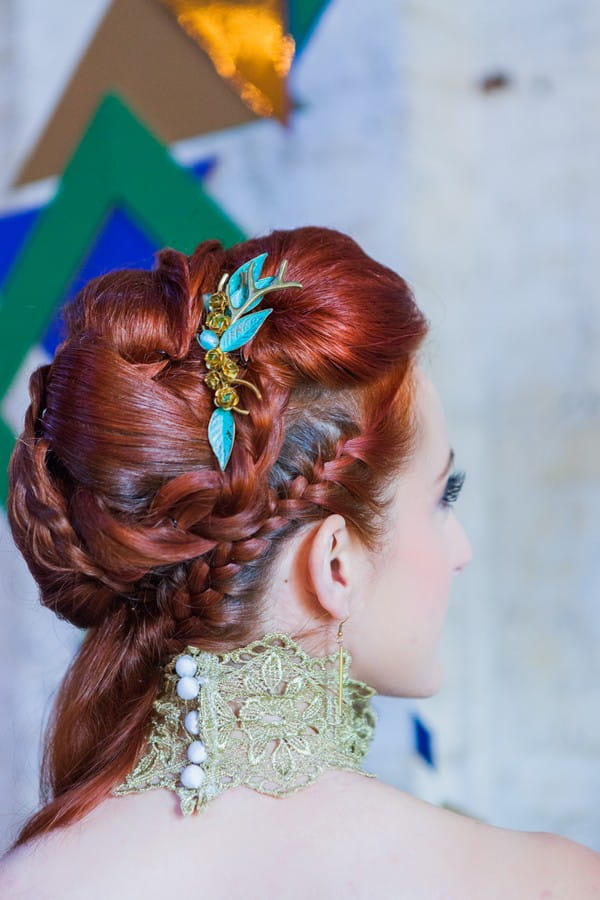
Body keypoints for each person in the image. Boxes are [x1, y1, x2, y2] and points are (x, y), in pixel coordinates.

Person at [0, 226, 598, 898]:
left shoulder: (29, 882)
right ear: (335, 564)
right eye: (442, 497)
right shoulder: (550, 882)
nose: (462, 552)